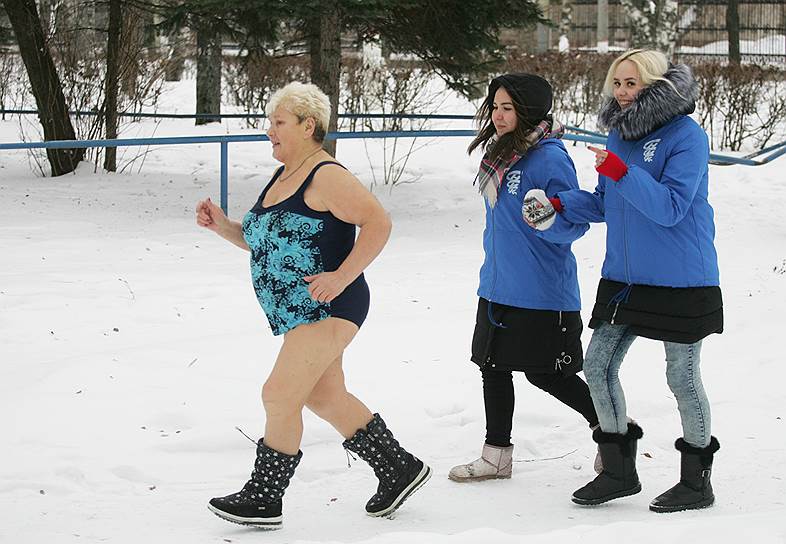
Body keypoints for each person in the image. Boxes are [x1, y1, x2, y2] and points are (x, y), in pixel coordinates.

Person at [195, 81, 431, 529]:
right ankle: (398, 468)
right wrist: (224, 227)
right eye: (270, 123)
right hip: (298, 310)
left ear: (308, 126)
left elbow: (378, 223)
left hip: (330, 305)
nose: (270, 131)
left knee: (279, 393)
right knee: (324, 396)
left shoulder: (326, 175)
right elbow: (269, 244)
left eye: (278, 123)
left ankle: (265, 498)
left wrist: (342, 276)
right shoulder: (285, 175)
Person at [532, 49, 723, 513]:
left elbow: (671, 208)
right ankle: (619, 472)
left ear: (656, 85)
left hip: (682, 280)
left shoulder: (687, 136)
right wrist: (561, 206)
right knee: (596, 366)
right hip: (624, 278)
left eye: (631, 83)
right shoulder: (619, 133)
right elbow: (605, 202)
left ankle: (696, 483)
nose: (621, 92)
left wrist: (622, 172)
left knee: (682, 377)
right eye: (616, 83)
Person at [448, 73, 601, 484]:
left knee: (549, 374)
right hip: (498, 284)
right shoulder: (502, 154)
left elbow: (575, 224)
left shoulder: (550, 158)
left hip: (542, 292)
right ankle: (496, 455)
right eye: (495, 107)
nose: (498, 116)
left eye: (508, 108)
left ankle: (613, 434)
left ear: (528, 111)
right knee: (492, 366)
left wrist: (548, 218)